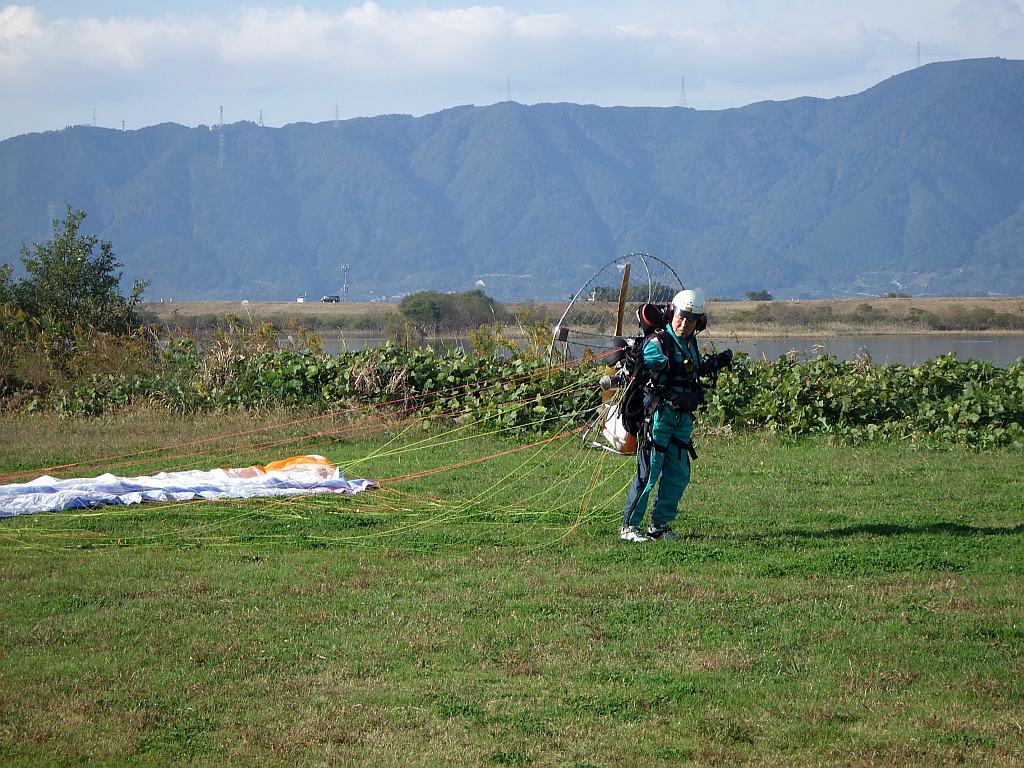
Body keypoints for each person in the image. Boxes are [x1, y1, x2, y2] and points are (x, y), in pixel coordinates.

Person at [620, 289, 732, 542]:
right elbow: (655, 366)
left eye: (690, 321)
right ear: (672, 314)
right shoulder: (657, 343)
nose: (684, 325)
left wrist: (716, 363)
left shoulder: (690, 343)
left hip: (682, 419)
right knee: (649, 473)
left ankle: (659, 526)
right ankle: (629, 527)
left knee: (678, 474)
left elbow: (692, 369)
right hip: (659, 417)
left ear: (698, 323)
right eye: (680, 318)